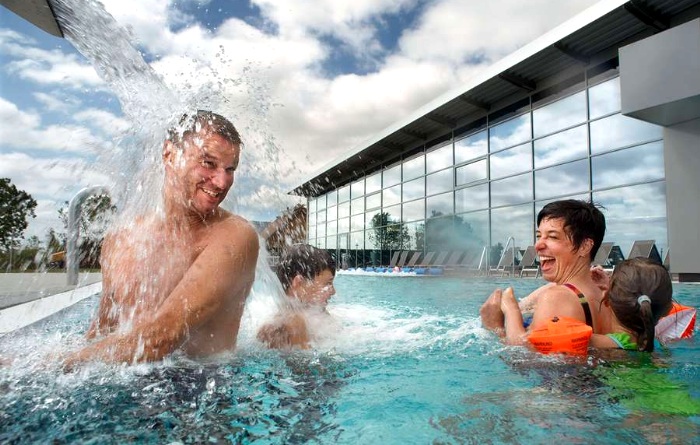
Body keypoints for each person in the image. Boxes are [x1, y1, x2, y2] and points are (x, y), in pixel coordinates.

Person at [62, 110, 259, 368]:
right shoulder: (121, 239)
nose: (222, 182)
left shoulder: (235, 236)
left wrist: (47, 366)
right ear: (169, 154)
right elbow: (102, 332)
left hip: (204, 389)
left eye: (230, 169)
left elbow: (161, 338)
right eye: (208, 164)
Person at [480, 199, 611, 339]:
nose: (538, 245)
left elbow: (526, 357)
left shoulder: (558, 297)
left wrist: (496, 326)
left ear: (584, 247)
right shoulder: (606, 292)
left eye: (553, 237)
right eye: (539, 236)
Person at [257, 244, 336, 350]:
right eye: (327, 283)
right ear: (299, 284)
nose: (333, 291)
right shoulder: (293, 323)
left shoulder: (314, 313)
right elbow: (305, 364)